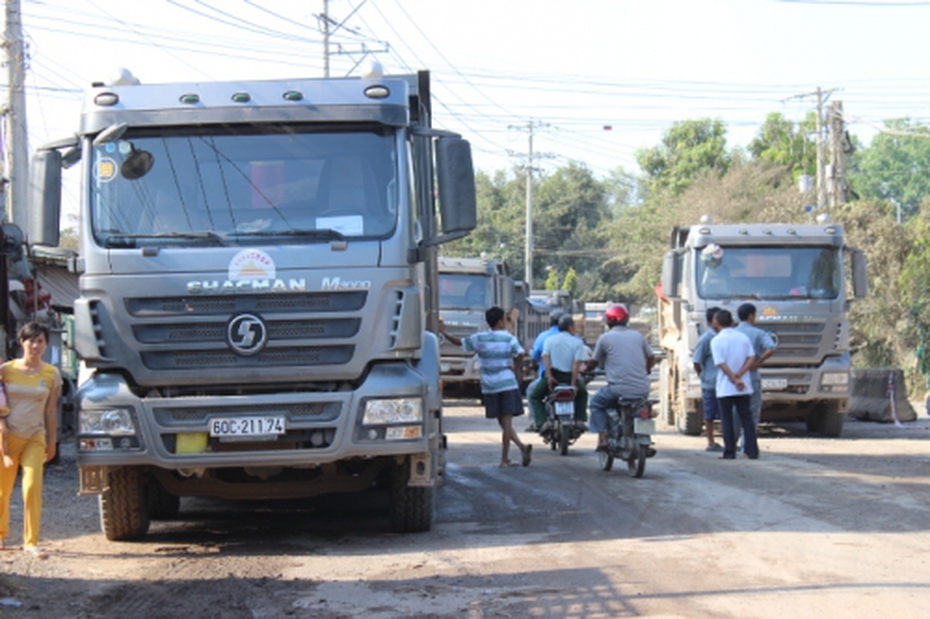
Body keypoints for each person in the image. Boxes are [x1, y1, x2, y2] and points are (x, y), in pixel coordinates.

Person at [440, 308, 532, 468]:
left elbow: (459, 342)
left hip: (490, 386)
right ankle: (507, 457)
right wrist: (516, 368)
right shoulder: (508, 337)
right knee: (507, 422)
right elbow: (520, 353)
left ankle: (520, 448)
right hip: (507, 383)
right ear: (500, 322)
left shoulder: (480, 337)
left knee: (502, 422)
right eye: (505, 319)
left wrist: (444, 333)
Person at [0, 322, 63, 557]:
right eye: (31, 340)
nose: (35, 345)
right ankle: (1, 534)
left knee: (32, 487)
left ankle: (31, 541)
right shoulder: (6, 370)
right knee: (2, 490)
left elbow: (51, 411)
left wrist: (52, 441)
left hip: (34, 436)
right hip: (6, 437)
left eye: (40, 341)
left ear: (46, 345)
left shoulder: (52, 374)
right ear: (21, 342)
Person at [584, 304, 656, 452]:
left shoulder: (605, 338)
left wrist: (587, 370)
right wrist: (647, 370)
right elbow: (651, 357)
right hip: (642, 389)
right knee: (644, 409)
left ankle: (603, 439)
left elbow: (594, 361)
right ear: (626, 320)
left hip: (618, 389)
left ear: (608, 321)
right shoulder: (637, 336)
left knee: (596, 403)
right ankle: (644, 435)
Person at [710, 309, 757, 460]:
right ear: (732, 322)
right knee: (747, 418)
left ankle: (729, 451)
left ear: (716, 323)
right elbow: (751, 358)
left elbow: (720, 363)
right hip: (744, 385)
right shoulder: (743, 337)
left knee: (727, 419)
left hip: (726, 387)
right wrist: (740, 375)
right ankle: (752, 451)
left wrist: (733, 378)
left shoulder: (717, 340)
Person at [528, 314, 588, 431]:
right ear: (570, 327)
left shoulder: (549, 340)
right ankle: (579, 420)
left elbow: (545, 356)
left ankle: (542, 422)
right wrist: (573, 383)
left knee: (535, 396)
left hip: (554, 377)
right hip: (570, 376)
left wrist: (549, 376)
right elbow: (576, 364)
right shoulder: (577, 342)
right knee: (582, 394)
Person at [735, 303, 777, 450]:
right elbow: (771, 348)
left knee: (735, 411)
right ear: (751, 316)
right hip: (751, 376)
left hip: (733, 378)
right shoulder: (758, 333)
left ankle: (731, 444)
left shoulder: (732, 333)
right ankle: (748, 445)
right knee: (752, 412)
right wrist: (759, 362)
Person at [526, 310, 564, 431]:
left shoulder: (544, 337)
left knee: (532, 393)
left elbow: (535, 356)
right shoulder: (573, 337)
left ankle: (538, 421)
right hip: (569, 380)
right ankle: (579, 420)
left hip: (548, 379)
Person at [692, 306, 723, 452]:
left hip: (725, 383)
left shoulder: (725, 337)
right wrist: (703, 376)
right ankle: (710, 441)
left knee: (726, 413)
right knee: (710, 413)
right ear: (712, 321)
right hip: (711, 383)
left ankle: (728, 439)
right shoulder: (706, 339)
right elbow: (697, 361)